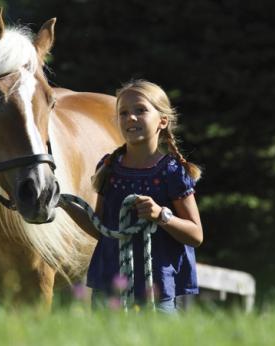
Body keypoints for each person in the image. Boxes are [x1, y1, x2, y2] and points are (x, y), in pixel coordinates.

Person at [60, 80, 203, 313]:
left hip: (156, 291)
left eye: (140, 110)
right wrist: (64, 204)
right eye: (123, 113)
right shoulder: (109, 168)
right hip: (110, 286)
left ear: (162, 121)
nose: (131, 118)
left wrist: (161, 215)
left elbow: (196, 235)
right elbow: (102, 228)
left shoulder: (172, 172)